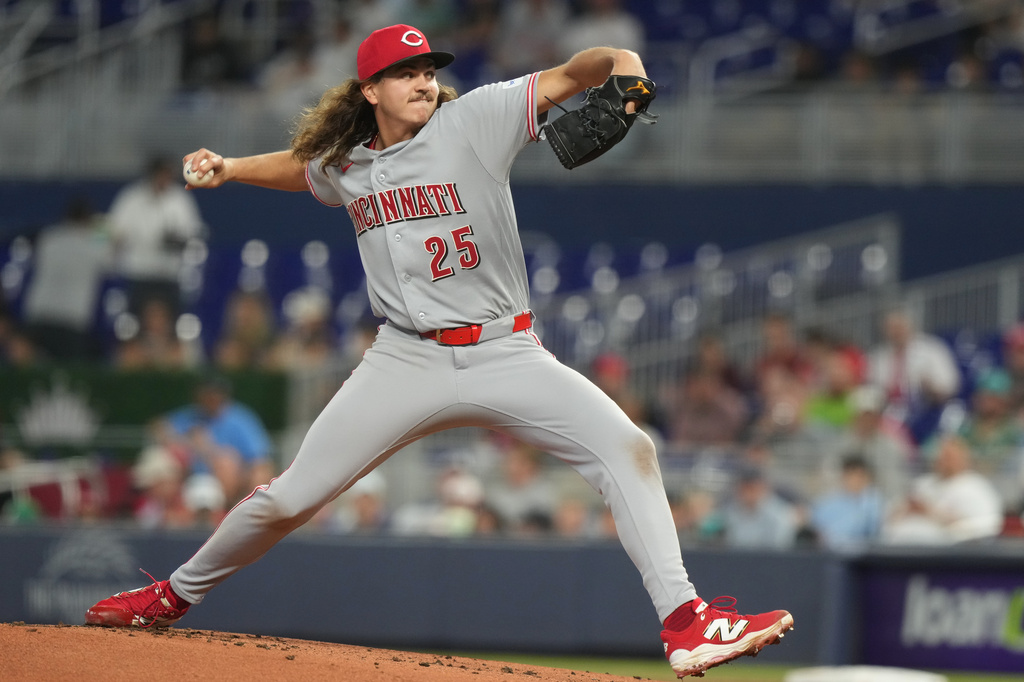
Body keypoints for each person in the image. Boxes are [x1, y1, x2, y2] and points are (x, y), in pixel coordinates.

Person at [84, 24, 792, 678]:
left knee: (629, 447)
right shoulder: (349, 164)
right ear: (370, 90)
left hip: (504, 351)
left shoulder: (476, 118)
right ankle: (169, 598)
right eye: (405, 73)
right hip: (404, 360)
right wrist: (233, 166)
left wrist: (626, 66)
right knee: (288, 499)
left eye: (428, 70)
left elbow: (583, 70)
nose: (424, 82)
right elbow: (304, 170)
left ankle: (686, 622)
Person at [149, 375, 274, 506]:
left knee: (228, 463)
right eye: (206, 394)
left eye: (214, 394)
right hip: (190, 475)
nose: (210, 398)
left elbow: (259, 459)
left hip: (232, 477)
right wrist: (184, 442)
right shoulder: (191, 415)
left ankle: (229, 510)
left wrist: (210, 450)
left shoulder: (241, 419)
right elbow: (157, 426)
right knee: (161, 462)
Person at [108, 156, 205, 317]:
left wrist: (177, 240)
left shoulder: (180, 199)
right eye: (163, 174)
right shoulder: (131, 198)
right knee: (135, 324)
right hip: (138, 274)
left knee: (170, 324)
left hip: (169, 275)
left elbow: (194, 234)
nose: (166, 179)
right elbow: (113, 232)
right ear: (153, 174)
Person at [22, 196, 112, 362]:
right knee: (69, 376)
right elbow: (110, 259)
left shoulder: (48, 238)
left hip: (38, 315)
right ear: (87, 219)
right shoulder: (94, 244)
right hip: (70, 321)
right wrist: (101, 225)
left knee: (36, 376)